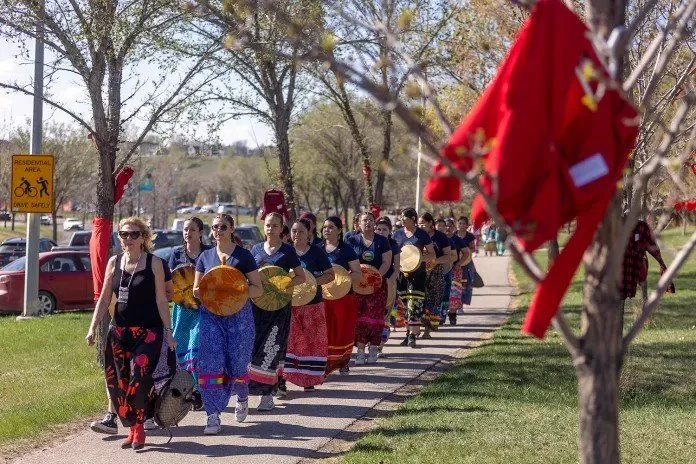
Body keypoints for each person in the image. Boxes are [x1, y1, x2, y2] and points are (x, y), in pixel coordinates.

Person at [85, 217, 176, 450]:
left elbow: (161, 299)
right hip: (120, 331)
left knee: (140, 378)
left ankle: (140, 427)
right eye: (124, 234)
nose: (128, 238)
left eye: (134, 234)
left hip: (149, 332)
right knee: (120, 382)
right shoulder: (114, 263)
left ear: (143, 237)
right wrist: (93, 327)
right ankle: (134, 428)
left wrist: (168, 331)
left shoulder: (155, 263)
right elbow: (105, 298)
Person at [192, 213, 263, 435]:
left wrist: (235, 288)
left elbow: (258, 289)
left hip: (239, 317)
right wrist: (211, 289)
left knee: (237, 363)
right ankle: (212, 415)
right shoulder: (205, 256)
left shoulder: (244, 257)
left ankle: (242, 395)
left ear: (232, 229)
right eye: (214, 227)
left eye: (223, 226)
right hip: (211, 315)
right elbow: (196, 290)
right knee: (211, 363)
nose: (218, 230)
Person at [248, 213, 306, 411]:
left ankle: (266, 394)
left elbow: (301, 277)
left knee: (272, 346)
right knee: (255, 347)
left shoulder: (288, 251)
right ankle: (260, 387)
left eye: (274, 225)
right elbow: (248, 277)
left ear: (282, 229)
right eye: (267, 225)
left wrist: (281, 283)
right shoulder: (255, 250)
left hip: (279, 307)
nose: (270, 228)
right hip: (257, 307)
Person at [283, 219, 335, 391]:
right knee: (290, 342)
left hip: (313, 304)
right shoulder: (285, 253)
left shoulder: (317, 253)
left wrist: (311, 283)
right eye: (294, 231)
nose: (297, 235)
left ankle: (309, 379)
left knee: (312, 342)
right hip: (290, 305)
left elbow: (330, 275)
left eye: (301, 232)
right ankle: (283, 378)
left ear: (309, 234)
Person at [167, 217, 210, 411]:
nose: (188, 233)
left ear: (200, 232)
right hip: (182, 309)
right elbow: (170, 282)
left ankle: (200, 390)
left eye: (192, 229)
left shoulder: (209, 253)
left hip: (203, 309)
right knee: (181, 349)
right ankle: (190, 390)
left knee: (196, 347)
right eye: (185, 229)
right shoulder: (176, 254)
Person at [345, 212, 392, 363]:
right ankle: (359, 351)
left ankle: (373, 349)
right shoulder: (352, 240)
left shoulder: (382, 241)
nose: (368, 223)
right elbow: (347, 262)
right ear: (358, 223)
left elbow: (386, 262)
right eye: (364, 220)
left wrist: (376, 277)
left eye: (371, 220)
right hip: (357, 286)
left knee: (376, 318)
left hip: (377, 286)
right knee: (359, 318)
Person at [322, 216, 362, 375]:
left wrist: (342, 279)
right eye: (324, 227)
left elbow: (357, 274)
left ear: (339, 230)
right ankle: (324, 362)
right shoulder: (317, 249)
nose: (327, 230)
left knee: (341, 330)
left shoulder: (347, 250)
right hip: (322, 296)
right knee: (325, 330)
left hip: (344, 297)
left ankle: (343, 361)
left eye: (331, 227)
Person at [392, 208, 435, 348]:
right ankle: (407, 334)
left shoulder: (422, 234)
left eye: (405, 217)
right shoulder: (397, 234)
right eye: (401, 217)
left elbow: (432, 255)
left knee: (414, 304)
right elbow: (392, 254)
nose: (402, 220)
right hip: (401, 275)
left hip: (418, 275)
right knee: (405, 305)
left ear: (413, 219)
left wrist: (417, 258)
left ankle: (412, 336)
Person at [418, 213, 453, 337]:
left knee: (432, 300)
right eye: (419, 224)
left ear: (431, 223)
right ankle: (415, 327)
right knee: (420, 299)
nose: (420, 226)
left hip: (436, 272)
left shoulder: (441, 237)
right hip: (419, 272)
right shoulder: (417, 236)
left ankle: (427, 329)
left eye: (423, 223)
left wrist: (433, 261)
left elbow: (448, 256)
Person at [620, 218, 668, 306]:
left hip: (627, 277)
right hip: (612, 279)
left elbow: (654, 249)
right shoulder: (609, 226)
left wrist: (662, 265)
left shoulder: (642, 228)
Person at [375, 216, 401, 356]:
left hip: (389, 284)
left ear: (390, 231)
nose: (381, 231)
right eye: (378, 229)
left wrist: (388, 283)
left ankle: (380, 346)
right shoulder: (371, 243)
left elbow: (396, 269)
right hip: (370, 284)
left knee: (386, 316)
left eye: (384, 229)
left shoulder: (393, 245)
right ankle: (370, 344)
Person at [455, 216, 477, 322]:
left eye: (464, 223)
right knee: (456, 283)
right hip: (455, 263)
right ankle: (455, 305)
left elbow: (473, 248)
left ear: (467, 225)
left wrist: (467, 251)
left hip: (467, 263)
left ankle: (461, 305)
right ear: (457, 224)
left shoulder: (470, 236)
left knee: (465, 284)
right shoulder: (453, 235)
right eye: (460, 223)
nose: (462, 225)